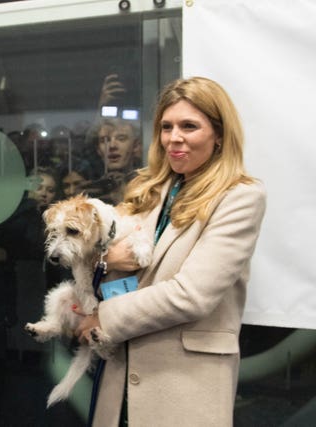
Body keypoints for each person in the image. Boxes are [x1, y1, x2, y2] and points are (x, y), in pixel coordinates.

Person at [74, 76, 266, 426]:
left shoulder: (240, 196)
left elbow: (192, 294)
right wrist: (103, 260)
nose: (174, 138)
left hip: (185, 382)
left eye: (189, 126)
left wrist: (104, 317)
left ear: (220, 134)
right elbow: (96, 251)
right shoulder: (148, 189)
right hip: (120, 376)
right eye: (167, 126)